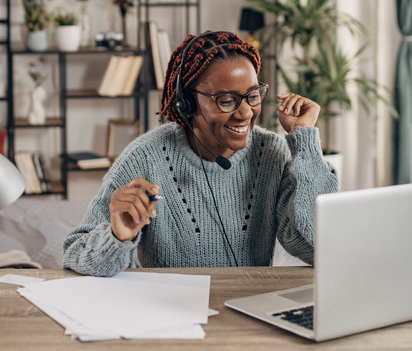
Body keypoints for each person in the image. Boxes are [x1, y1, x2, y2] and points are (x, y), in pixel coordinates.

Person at [62, 30, 339, 276]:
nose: (245, 113)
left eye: (253, 95)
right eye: (227, 100)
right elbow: (75, 253)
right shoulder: (144, 157)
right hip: (169, 317)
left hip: (247, 314)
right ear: (186, 104)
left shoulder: (272, 154)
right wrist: (117, 236)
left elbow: (319, 248)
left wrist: (305, 143)